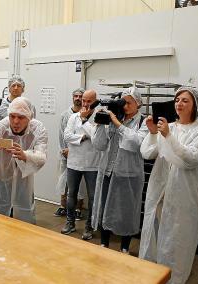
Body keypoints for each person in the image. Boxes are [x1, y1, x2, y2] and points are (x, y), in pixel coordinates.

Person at [139, 87, 198, 284]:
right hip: (160, 192)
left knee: (178, 240)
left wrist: (168, 136)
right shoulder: (169, 126)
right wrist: (152, 134)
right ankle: (150, 276)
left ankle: (174, 279)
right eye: (177, 99)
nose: (179, 103)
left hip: (184, 194)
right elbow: (147, 153)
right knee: (154, 234)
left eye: (185, 100)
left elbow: (191, 158)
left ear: (195, 106)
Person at [91, 87, 148, 253]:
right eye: (123, 102)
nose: (125, 106)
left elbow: (137, 143)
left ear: (138, 104)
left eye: (129, 102)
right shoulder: (116, 117)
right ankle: (104, 243)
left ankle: (124, 247)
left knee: (127, 212)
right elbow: (99, 145)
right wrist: (101, 124)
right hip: (109, 172)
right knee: (105, 209)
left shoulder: (143, 122)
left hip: (128, 175)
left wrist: (117, 123)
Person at [0, 97, 48, 224]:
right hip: (1, 180)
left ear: (30, 117)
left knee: (23, 220)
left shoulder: (38, 129)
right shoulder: (0, 127)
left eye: (21, 117)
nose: (15, 121)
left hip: (24, 183)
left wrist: (26, 156)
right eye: (12, 116)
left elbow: (42, 157)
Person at [61, 89, 100, 240]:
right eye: (84, 100)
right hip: (74, 162)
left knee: (92, 197)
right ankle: (70, 222)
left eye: (89, 101)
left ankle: (89, 227)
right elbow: (67, 136)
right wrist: (83, 137)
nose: (85, 103)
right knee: (71, 194)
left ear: (95, 101)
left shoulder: (99, 117)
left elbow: (97, 138)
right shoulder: (73, 117)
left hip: (93, 164)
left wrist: (84, 122)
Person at [54, 88, 87, 218]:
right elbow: (62, 134)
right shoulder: (65, 115)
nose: (78, 98)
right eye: (76, 96)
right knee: (63, 180)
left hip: (80, 154)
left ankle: (78, 208)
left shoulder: (87, 115)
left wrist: (75, 149)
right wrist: (64, 150)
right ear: (72, 98)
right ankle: (63, 206)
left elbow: (86, 136)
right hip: (65, 153)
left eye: (80, 96)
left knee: (80, 182)